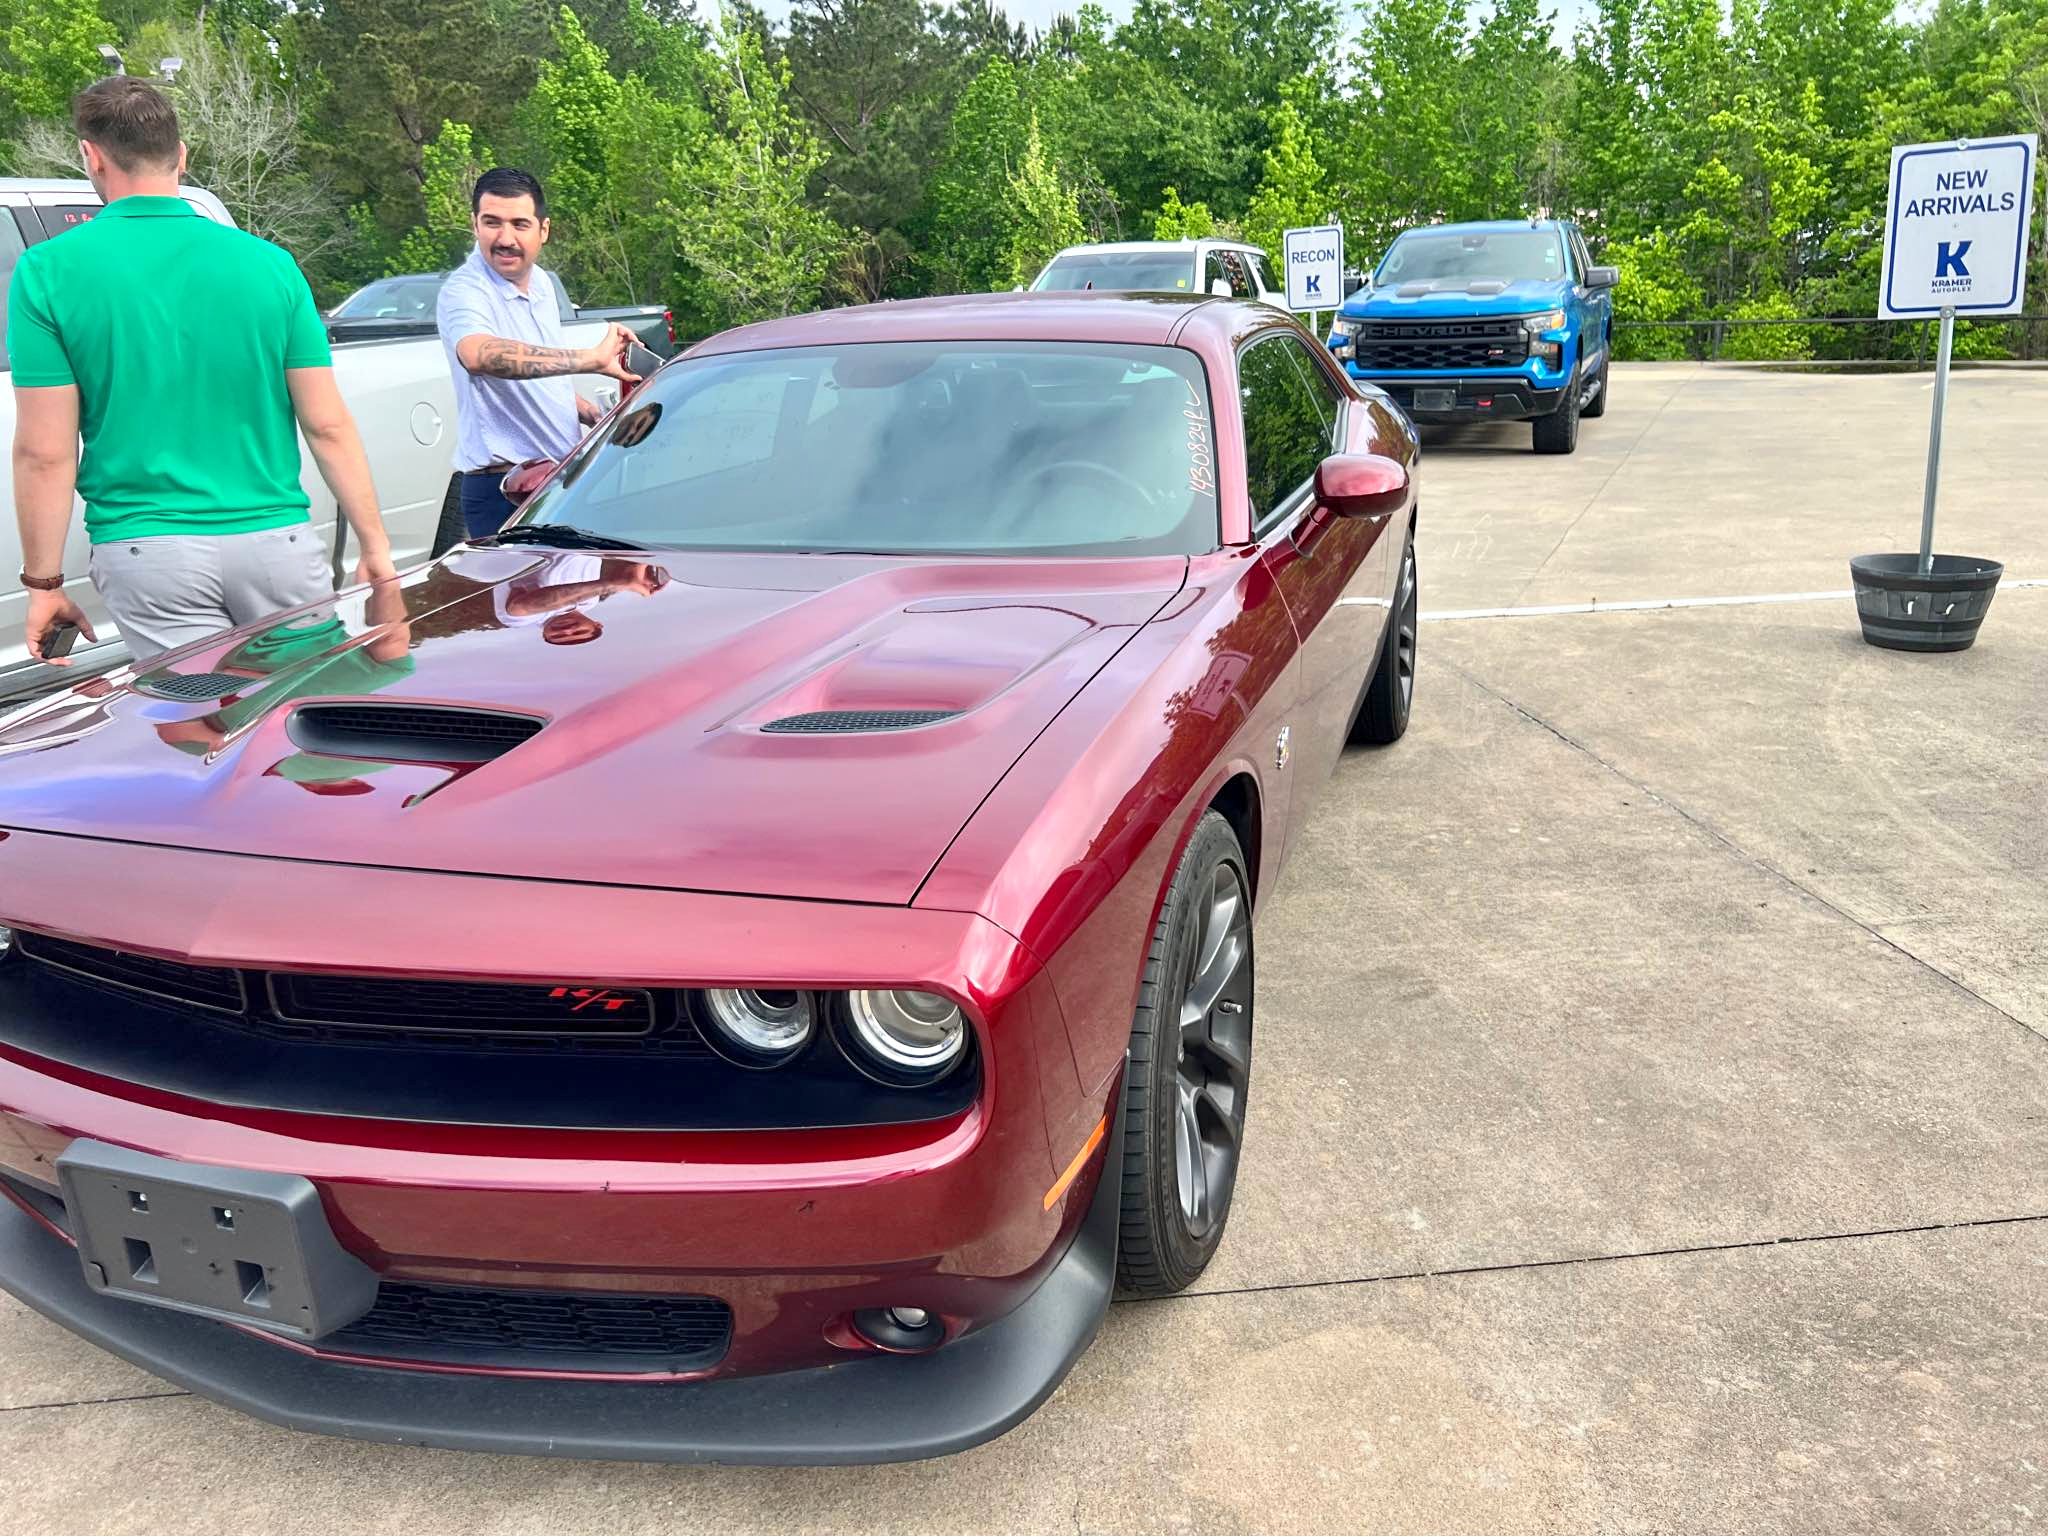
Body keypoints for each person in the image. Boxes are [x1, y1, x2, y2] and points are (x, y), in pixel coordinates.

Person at [9, 76, 395, 667]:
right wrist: (375, 548)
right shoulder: (272, 266)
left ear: (91, 155)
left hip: (149, 553)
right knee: (304, 734)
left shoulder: (46, 273)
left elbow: (46, 452)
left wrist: (44, 585)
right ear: (181, 157)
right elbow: (327, 425)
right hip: (277, 544)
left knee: (198, 736)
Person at [436, 168, 639, 541]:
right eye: (492, 223)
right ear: (474, 225)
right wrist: (590, 359)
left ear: (543, 230)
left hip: (560, 482)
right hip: (505, 491)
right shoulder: (465, 291)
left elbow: (538, 374)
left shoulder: (542, 283)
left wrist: (592, 414)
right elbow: (478, 354)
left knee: (578, 599)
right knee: (523, 601)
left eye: (520, 224)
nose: (505, 238)